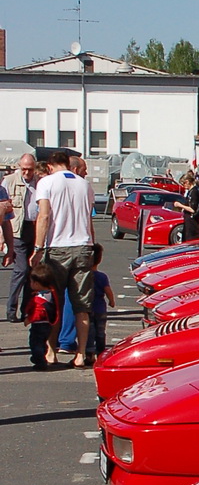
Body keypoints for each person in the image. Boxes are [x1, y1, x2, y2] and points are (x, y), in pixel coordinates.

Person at [32, 148, 96, 366]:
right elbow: (88, 219)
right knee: (82, 305)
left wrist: (38, 247)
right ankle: (80, 354)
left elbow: (44, 216)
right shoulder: (84, 184)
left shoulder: (47, 183)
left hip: (57, 247)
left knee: (55, 302)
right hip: (83, 244)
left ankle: (51, 351)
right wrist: (93, 246)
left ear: (50, 166)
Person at [4, 151, 38, 319]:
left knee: (32, 272)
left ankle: (26, 310)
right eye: (24, 169)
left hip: (34, 228)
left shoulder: (40, 182)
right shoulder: (10, 181)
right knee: (21, 270)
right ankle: (11, 309)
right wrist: (2, 239)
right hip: (16, 230)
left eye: (30, 169)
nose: (27, 173)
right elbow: (3, 212)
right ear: (19, 166)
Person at [24, 264, 59, 369]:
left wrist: (29, 319)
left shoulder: (39, 299)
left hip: (38, 325)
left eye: (31, 282)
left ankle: (39, 361)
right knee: (42, 342)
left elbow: (37, 313)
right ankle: (40, 357)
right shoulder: (51, 293)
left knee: (35, 343)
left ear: (36, 284)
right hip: (47, 325)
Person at [89, 243, 115, 355]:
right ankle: (100, 351)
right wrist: (111, 301)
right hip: (100, 307)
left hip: (88, 307)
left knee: (90, 330)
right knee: (100, 331)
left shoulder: (85, 275)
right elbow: (107, 290)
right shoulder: (102, 276)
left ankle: (89, 351)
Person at [174, 169, 199, 241]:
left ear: (187, 182)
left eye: (183, 184)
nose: (183, 186)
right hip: (188, 221)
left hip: (192, 222)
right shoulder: (190, 192)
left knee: (191, 240)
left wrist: (180, 205)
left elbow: (192, 209)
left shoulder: (194, 192)